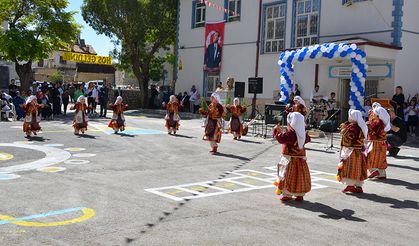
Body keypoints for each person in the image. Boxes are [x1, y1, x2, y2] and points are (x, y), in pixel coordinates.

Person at [273, 112, 311, 201]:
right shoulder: (302, 133)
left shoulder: (291, 134)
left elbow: (281, 139)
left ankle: (287, 194)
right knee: (300, 177)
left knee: (287, 176)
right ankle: (299, 194)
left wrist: (276, 130)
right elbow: (308, 139)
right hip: (300, 159)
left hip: (289, 160)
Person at [337, 109, 368, 193]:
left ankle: (350, 185)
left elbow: (348, 138)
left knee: (351, 167)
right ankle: (358, 186)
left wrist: (343, 130)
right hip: (359, 151)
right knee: (358, 167)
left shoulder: (352, 127)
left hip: (351, 151)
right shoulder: (360, 126)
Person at [367, 103, 391, 179]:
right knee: (381, 158)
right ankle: (382, 174)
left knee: (371, 156)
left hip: (375, 143)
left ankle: (375, 170)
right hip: (382, 143)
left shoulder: (377, 122)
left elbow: (373, 131)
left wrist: (367, 125)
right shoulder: (384, 122)